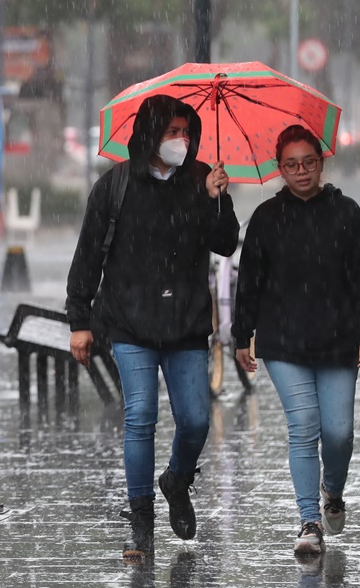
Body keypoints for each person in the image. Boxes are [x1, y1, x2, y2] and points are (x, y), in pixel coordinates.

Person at [66, 94, 239, 561]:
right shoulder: (115, 187)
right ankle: (141, 523)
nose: (181, 141)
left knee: (197, 420)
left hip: (184, 324)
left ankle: (176, 480)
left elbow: (225, 244)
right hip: (130, 323)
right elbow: (88, 257)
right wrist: (79, 320)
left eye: (186, 133)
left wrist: (217, 201)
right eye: (171, 133)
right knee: (140, 416)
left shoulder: (203, 180)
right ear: (148, 135)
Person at [231, 124, 360, 556]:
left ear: (322, 162)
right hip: (283, 342)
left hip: (338, 340)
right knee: (303, 427)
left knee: (338, 433)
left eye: (309, 162)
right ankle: (308, 521)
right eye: (291, 165)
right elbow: (250, 284)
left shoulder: (346, 213)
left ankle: (332, 491)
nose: (301, 171)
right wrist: (242, 336)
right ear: (279, 168)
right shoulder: (266, 218)